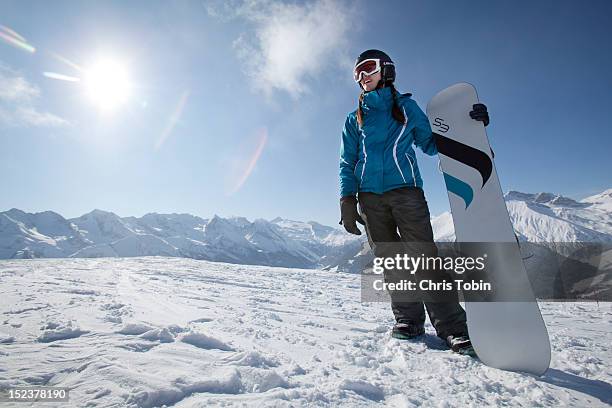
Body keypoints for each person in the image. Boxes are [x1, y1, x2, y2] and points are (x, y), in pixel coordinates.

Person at [338, 49, 489, 354]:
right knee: (392, 262)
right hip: (370, 200)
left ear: (386, 70)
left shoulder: (406, 108)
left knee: (425, 260)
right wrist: (347, 199)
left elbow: (431, 144)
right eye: (357, 74)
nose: (362, 77)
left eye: (367, 69)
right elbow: (347, 161)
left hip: (406, 193)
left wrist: (468, 125)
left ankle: (453, 329)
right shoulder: (354, 118)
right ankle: (409, 320)